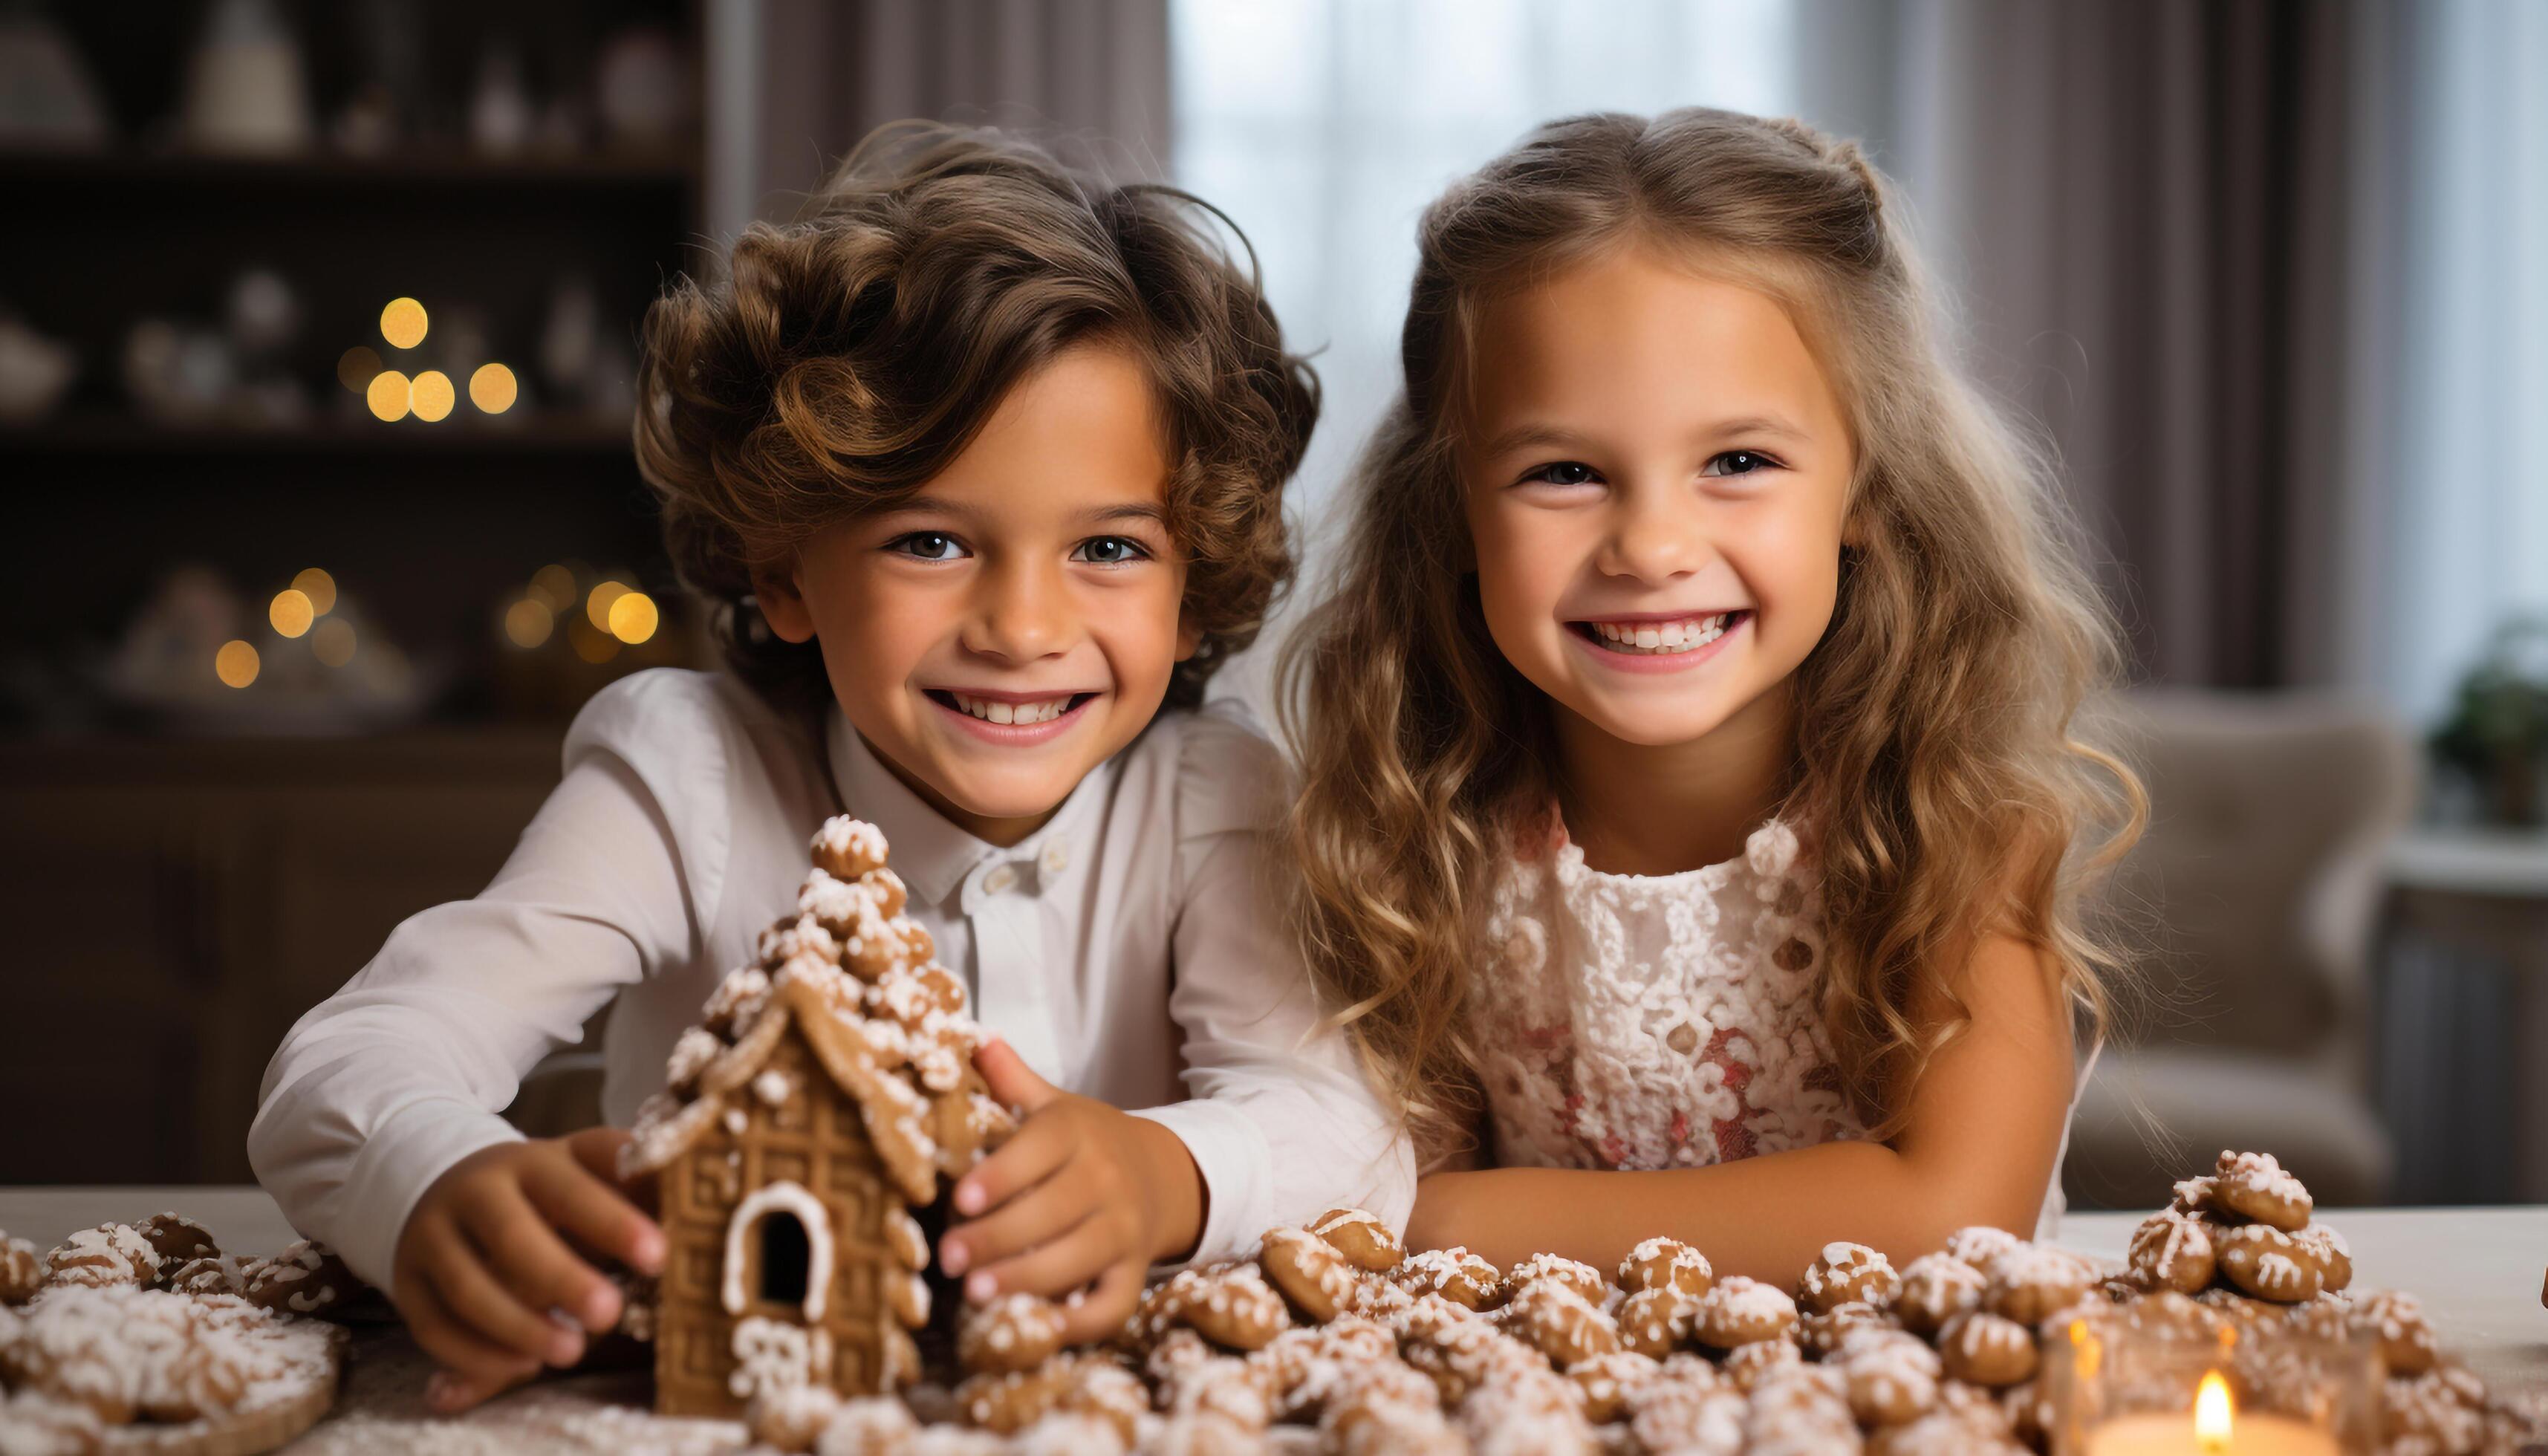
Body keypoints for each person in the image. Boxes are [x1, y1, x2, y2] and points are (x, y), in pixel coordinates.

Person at [250, 123, 1411, 1414]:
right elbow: (354, 1060)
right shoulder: (684, 776)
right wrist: (430, 1181)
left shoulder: (1213, 801)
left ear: (1196, 590)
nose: (1022, 628)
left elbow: (1345, 1129)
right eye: (929, 542)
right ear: (786, 567)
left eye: (1111, 550)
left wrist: (1164, 1173)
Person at [1281, 108, 2142, 1281]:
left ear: (1867, 492)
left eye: (1736, 462)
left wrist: (1448, 1221)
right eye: (1564, 472)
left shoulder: (1954, 829)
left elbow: (1952, 1210)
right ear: (1451, 516)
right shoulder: (1422, 835)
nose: (1650, 545)